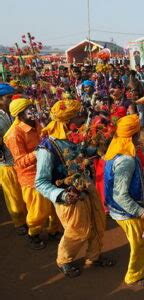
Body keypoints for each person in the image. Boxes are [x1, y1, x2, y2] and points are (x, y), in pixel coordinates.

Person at [35, 100, 115, 278]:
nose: (82, 121)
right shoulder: (47, 148)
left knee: (97, 222)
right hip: (68, 196)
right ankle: (64, 260)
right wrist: (61, 195)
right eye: (78, 117)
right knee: (77, 231)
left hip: (86, 187)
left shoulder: (71, 137)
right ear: (66, 121)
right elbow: (40, 182)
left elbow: (81, 156)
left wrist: (98, 144)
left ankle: (94, 256)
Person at [104, 114, 144, 288]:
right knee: (139, 244)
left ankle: (143, 266)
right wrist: (142, 211)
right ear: (133, 135)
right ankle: (134, 276)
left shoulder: (117, 148)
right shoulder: (125, 160)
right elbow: (120, 195)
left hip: (124, 208)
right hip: (127, 211)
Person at [4, 98, 61, 249]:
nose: (33, 110)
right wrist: (39, 152)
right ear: (20, 114)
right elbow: (20, 162)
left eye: (32, 107)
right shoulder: (13, 134)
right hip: (31, 177)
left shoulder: (37, 124)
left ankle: (53, 230)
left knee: (53, 205)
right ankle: (33, 234)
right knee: (38, 210)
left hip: (47, 170)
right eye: (29, 109)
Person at [0, 84, 27, 235]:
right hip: (7, 163)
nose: (12, 100)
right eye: (8, 98)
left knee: (25, 191)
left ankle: (29, 218)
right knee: (13, 195)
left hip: (21, 159)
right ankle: (19, 222)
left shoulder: (15, 112)